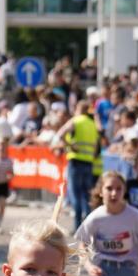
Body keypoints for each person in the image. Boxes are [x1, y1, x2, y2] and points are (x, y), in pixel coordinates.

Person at [55, 99, 99, 231]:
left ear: (78, 109)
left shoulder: (75, 120)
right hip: (89, 162)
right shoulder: (92, 124)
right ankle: (89, 226)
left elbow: (60, 134)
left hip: (75, 161)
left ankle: (77, 226)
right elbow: (96, 145)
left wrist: (70, 146)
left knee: (76, 194)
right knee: (87, 195)